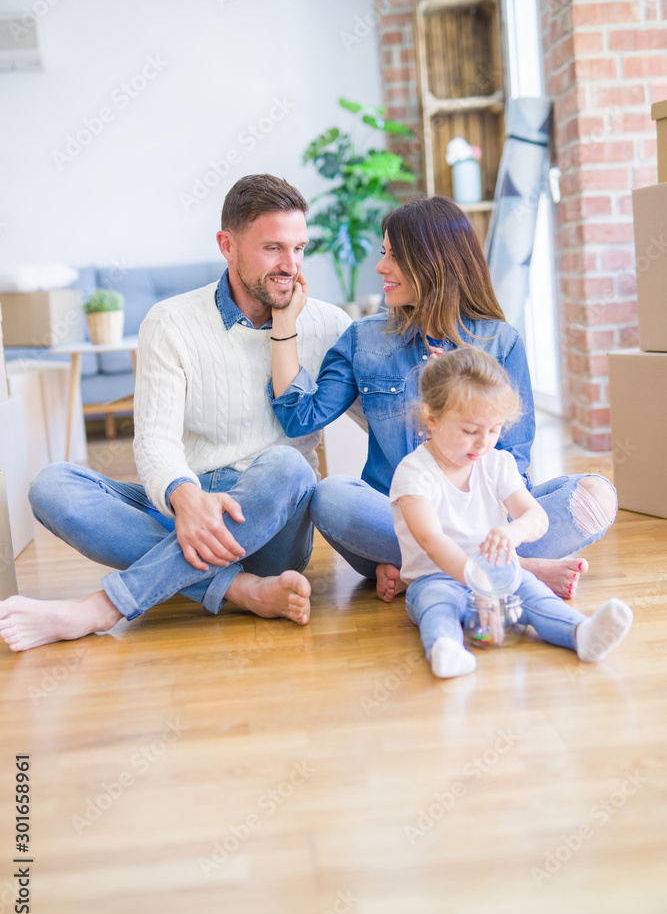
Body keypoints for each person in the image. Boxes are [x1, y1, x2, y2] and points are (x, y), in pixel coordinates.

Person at [0, 174, 353, 653]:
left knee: (289, 465)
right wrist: (184, 497)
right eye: (273, 248)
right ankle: (236, 589)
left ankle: (102, 607)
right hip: (184, 506)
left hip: (269, 519)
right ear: (227, 245)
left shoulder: (329, 324)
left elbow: (384, 416)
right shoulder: (171, 321)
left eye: (299, 248)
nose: (289, 266)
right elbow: (154, 440)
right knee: (52, 487)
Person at [269, 195, 618, 603]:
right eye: (384, 254)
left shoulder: (501, 342)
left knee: (597, 496)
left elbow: (513, 457)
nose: (381, 267)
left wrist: (506, 523)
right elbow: (299, 417)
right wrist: (284, 322)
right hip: (395, 524)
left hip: (479, 524)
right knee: (330, 497)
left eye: (394, 257)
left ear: (433, 260)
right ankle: (516, 572)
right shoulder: (364, 339)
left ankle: (425, 573)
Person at [388, 346, 632, 679]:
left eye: (494, 430)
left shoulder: (495, 463)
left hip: (498, 573)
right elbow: (432, 539)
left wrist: (513, 532)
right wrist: (480, 584)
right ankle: (444, 648)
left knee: (535, 595)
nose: (483, 443)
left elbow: (537, 517)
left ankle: (582, 633)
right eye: (470, 431)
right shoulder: (414, 472)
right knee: (436, 606)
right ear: (432, 419)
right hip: (437, 577)